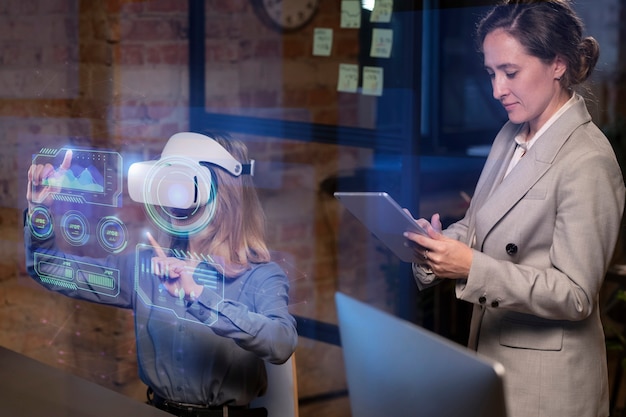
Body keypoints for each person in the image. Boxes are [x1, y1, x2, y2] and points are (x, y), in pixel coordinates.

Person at [403, 1, 625, 416]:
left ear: (557, 64)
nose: (496, 90)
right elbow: (479, 224)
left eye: (510, 72)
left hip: (549, 386)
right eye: (491, 73)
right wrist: (436, 245)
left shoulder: (589, 159)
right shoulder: (509, 135)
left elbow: (576, 295)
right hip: (493, 358)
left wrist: (471, 266)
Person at [24, 131, 298, 417]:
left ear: (215, 190)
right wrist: (39, 210)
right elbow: (50, 269)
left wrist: (199, 295)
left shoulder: (260, 276)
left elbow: (281, 344)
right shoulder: (146, 268)